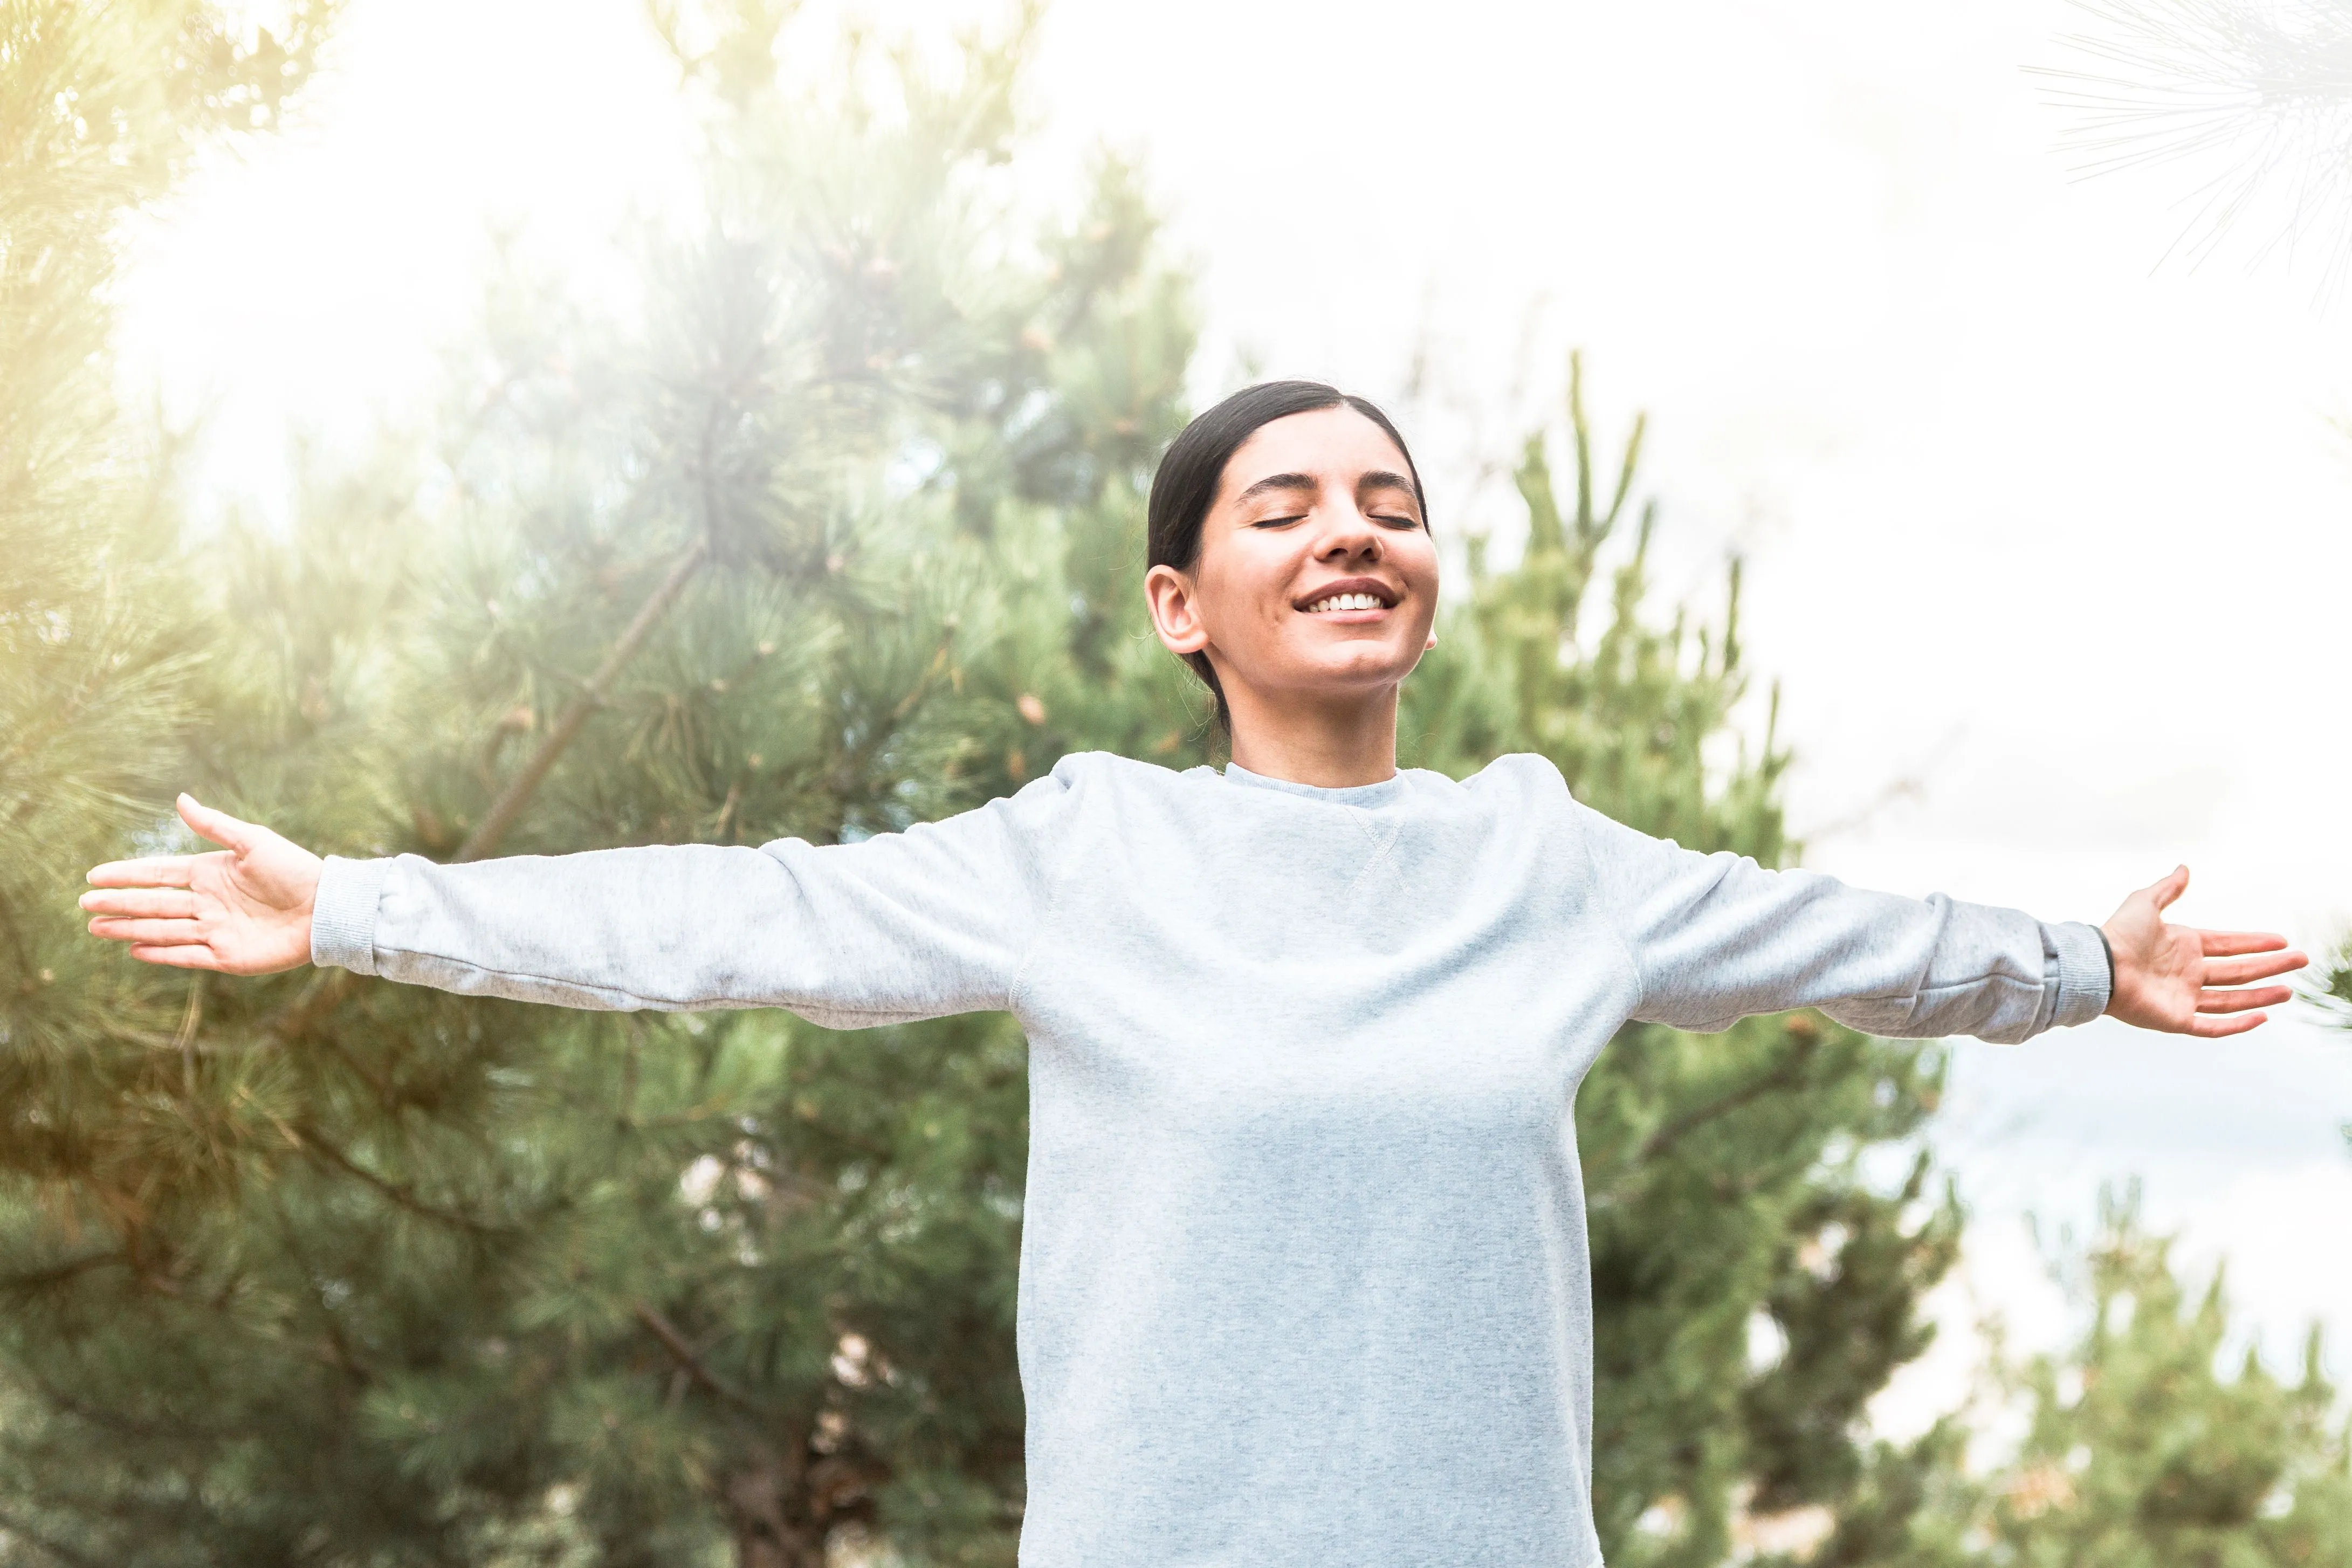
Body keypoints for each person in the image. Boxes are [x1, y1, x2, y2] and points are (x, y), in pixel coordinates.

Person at [81, 380, 2306, 1567]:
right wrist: (353, 903)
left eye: (1389, 501)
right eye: (1283, 503)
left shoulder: (1548, 864)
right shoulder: (1083, 857)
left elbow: (1849, 939)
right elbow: (732, 914)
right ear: (1180, 604)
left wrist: (2072, 963)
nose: (1351, 528)